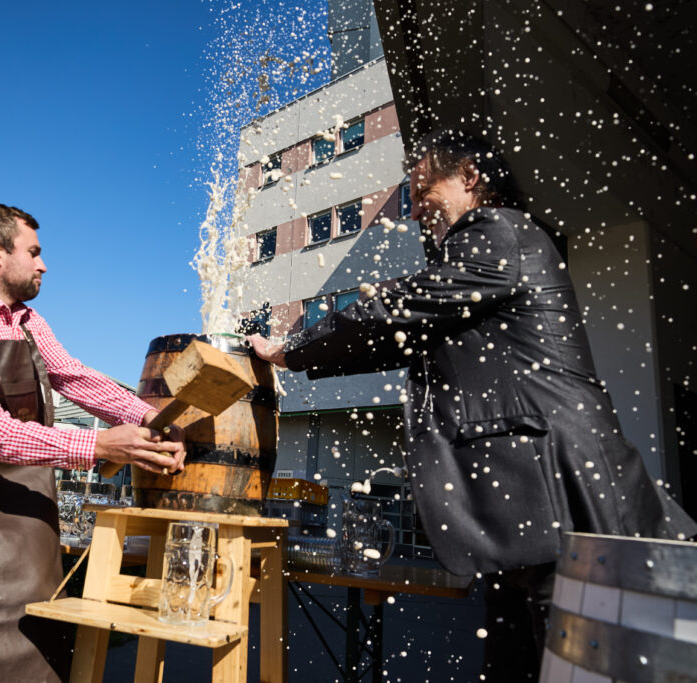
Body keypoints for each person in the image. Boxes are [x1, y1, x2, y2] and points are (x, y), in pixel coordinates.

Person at [247, 130, 697, 681]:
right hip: (532, 512)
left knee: (584, 668)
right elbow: (402, 335)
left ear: (469, 177)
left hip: (567, 499)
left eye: (422, 190)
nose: (415, 210)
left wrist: (292, 348)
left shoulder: (499, 229)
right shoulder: (482, 256)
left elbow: (402, 309)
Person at [0, 204, 185, 683]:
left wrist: (150, 417)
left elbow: (75, 377)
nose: (43, 265)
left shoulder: (28, 322)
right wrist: (100, 445)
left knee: (35, 642)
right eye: (33, 252)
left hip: (23, 511)